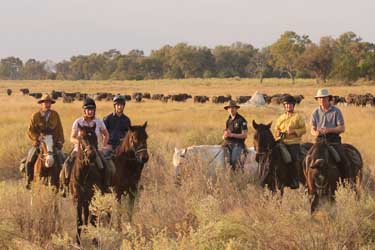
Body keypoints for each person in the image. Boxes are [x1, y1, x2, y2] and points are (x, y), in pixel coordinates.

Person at [61, 98, 110, 195]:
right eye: (88, 109)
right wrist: (79, 143)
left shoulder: (99, 122)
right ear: (84, 110)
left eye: (92, 109)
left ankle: (105, 186)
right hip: (79, 150)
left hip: (94, 150)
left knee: (105, 165)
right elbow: (72, 137)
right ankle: (65, 185)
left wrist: (102, 146)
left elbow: (106, 135)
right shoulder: (78, 122)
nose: (90, 111)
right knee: (67, 164)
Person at [25, 94, 65, 189]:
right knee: (29, 160)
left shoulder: (55, 115)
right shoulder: (35, 116)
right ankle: (29, 180)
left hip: (53, 143)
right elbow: (30, 131)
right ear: (41, 104)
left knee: (62, 160)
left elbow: (60, 129)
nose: (47, 104)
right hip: (39, 144)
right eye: (45, 102)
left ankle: (63, 183)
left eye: (49, 103)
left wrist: (60, 141)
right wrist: (37, 138)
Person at [310, 88, 351, 179]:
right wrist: (315, 132)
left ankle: (346, 181)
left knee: (342, 159)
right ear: (317, 99)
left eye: (324, 98)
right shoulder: (315, 112)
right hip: (319, 141)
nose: (322, 100)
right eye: (319, 98)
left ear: (329, 98)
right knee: (307, 158)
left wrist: (329, 130)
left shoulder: (336, 111)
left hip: (333, 140)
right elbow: (312, 129)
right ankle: (308, 185)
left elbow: (342, 128)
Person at [274, 94, 306, 189]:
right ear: (284, 106)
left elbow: (303, 129)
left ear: (293, 105)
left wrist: (294, 131)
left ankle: (294, 179)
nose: (288, 106)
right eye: (286, 105)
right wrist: (278, 133)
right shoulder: (280, 118)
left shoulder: (298, 117)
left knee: (292, 159)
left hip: (293, 143)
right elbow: (276, 130)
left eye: (290, 104)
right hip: (281, 142)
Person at [222, 100, 248, 170]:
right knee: (224, 161)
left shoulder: (241, 120)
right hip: (228, 143)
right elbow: (227, 132)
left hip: (238, 144)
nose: (231, 109)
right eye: (229, 108)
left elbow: (245, 135)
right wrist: (225, 135)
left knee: (234, 161)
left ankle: (237, 175)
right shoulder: (228, 120)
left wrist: (232, 135)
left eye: (233, 108)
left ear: (236, 109)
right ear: (227, 109)